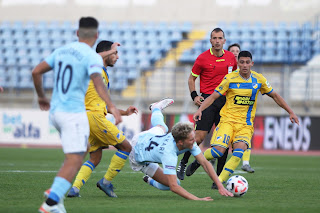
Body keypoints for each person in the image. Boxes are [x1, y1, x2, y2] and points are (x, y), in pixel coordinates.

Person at [33, 17, 122, 213]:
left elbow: (36, 72)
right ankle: (50, 203)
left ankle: (56, 194)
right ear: (96, 35)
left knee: (84, 151)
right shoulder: (90, 57)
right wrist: (112, 107)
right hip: (72, 113)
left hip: (55, 112)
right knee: (76, 158)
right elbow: (98, 84)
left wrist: (41, 97)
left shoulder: (62, 51)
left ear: (77, 33)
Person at [189, 51, 299, 186]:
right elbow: (213, 96)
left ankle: (219, 182)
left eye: (247, 62)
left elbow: (275, 96)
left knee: (238, 152)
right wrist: (200, 110)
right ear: (238, 64)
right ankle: (198, 161)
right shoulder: (229, 79)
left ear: (252, 64)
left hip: (245, 124)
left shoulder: (259, 80)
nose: (245, 65)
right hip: (227, 120)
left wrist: (290, 112)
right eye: (242, 62)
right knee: (218, 151)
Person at [67, 40, 138, 198]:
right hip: (94, 117)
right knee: (126, 147)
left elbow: (103, 104)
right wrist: (110, 49)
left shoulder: (102, 74)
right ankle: (105, 182)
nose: (117, 57)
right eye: (115, 54)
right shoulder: (95, 67)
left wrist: (125, 112)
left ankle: (75, 189)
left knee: (95, 156)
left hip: (90, 116)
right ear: (107, 53)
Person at [129, 98, 234, 200]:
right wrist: (197, 199)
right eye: (191, 139)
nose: (194, 141)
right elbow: (174, 187)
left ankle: (156, 108)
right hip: (138, 155)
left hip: (146, 137)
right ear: (180, 142)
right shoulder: (169, 154)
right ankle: (152, 181)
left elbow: (205, 163)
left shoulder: (182, 139)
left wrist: (220, 186)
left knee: (163, 127)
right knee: (174, 183)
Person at [177, 28, 237, 181]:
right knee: (198, 137)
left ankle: (218, 179)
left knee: (224, 141)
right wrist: (194, 96)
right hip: (207, 100)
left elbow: (236, 78)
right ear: (210, 41)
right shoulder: (202, 58)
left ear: (224, 40)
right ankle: (183, 163)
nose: (217, 41)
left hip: (225, 102)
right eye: (214, 38)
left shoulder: (231, 58)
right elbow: (191, 79)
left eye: (220, 38)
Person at [228, 43, 255, 173]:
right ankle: (214, 155)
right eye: (232, 51)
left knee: (245, 134)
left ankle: (245, 162)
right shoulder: (228, 70)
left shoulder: (244, 70)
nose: (235, 52)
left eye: (237, 51)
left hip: (242, 110)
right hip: (227, 105)